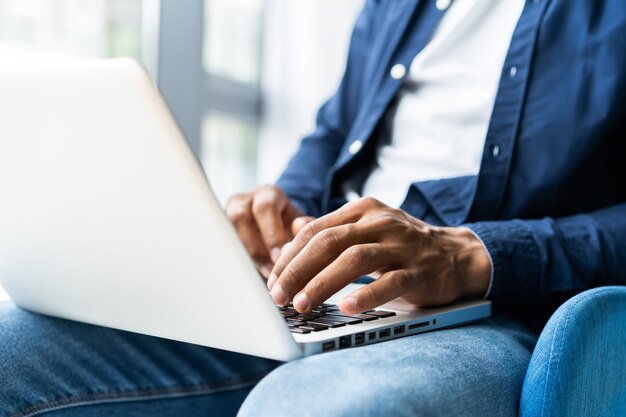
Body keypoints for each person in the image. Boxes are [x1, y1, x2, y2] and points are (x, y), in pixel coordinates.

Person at [1, 0, 625, 416]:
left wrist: (478, 253)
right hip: (311, 289)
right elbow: (335, 131)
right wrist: (281, 204)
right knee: (11, 354)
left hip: (487, 309)